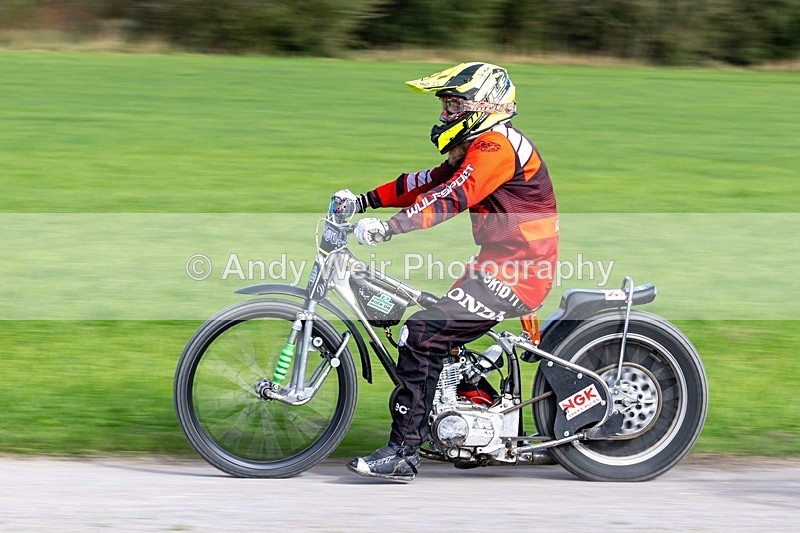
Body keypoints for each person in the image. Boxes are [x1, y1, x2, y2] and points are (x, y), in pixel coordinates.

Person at [333, 62, 559, 482]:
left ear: (483, 106)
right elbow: (425, 182)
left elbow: (451, 197)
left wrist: (389, 228)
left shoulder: (496, 147)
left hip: (518, 273)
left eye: (453, 105)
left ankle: (403, 454)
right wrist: (363, 201)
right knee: (440, 335)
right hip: (497, 265)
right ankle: (470, 419)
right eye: (445, 105)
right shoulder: (479, 146)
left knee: (420, 335)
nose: (444, 114)